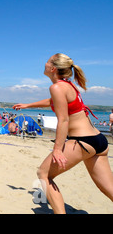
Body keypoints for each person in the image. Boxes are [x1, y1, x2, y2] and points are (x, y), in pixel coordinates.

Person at [13, 53, 113, 213]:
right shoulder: (67, 85)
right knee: (109, 189)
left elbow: (64, 120)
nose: (44, 63)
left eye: (47, 61)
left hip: (82, 141)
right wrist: (28, 105)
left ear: (52, 68)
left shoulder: (57, 87)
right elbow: (52, 101)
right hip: (98, 140)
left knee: (43, 173)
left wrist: (57, 149)